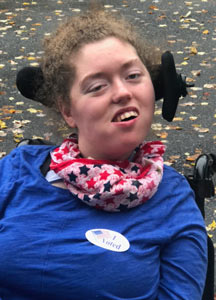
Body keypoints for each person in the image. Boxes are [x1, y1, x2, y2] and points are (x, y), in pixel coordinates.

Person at [0, 6, 207, 300]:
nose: (122, 92)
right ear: (67, 110)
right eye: (97, 86)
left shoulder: (173, 200)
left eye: (134, 75)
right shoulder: (16, 171)